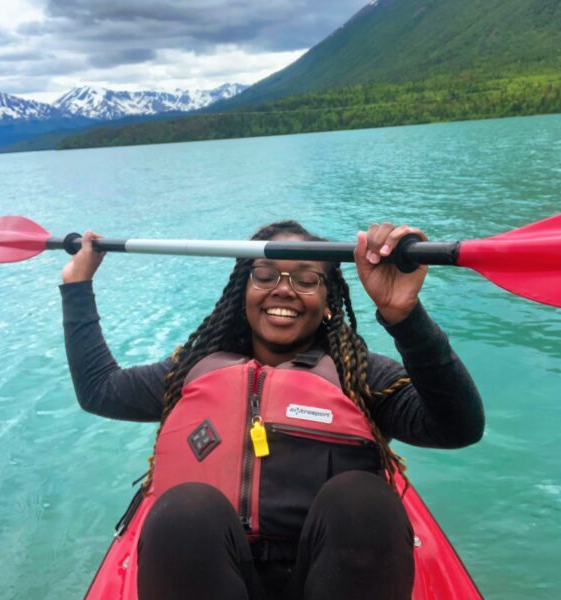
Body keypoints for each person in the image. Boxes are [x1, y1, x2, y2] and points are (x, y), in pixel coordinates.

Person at [60, 221, 484, 600]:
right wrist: (77, 286)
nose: (283, 289)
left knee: (362, 501)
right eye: (265, 276)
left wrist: (405, 317)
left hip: (334, 574)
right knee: (184, 512)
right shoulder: (193, 369)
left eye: (306, 280)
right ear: (243, 292)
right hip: (211, 575)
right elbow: (100, 390)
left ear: (329, 299)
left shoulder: (359, 373)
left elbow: (458, 427)